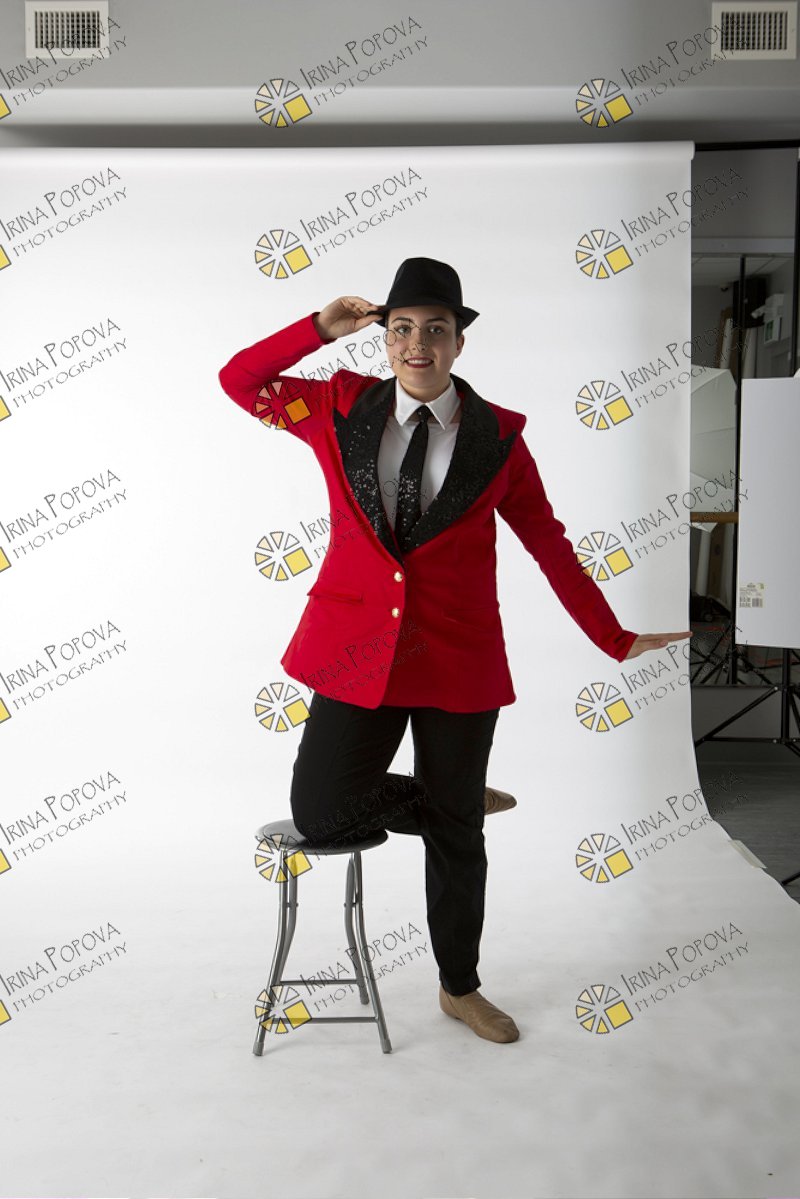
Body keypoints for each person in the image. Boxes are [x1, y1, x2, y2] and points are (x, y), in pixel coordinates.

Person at [218, 257, 691, 1044]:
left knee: (456, 839)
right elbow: (239, 380)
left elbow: (549, 543)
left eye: (435, 330)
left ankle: (459, 985)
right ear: (385, 339)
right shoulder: (335, 405)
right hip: (355, 653)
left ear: (458, 342)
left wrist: (613, 636)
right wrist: (319, 328)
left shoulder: (498, 439)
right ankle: (448, 797)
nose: (417, 344)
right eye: (402, 328)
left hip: (456, 656)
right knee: (321, 810)